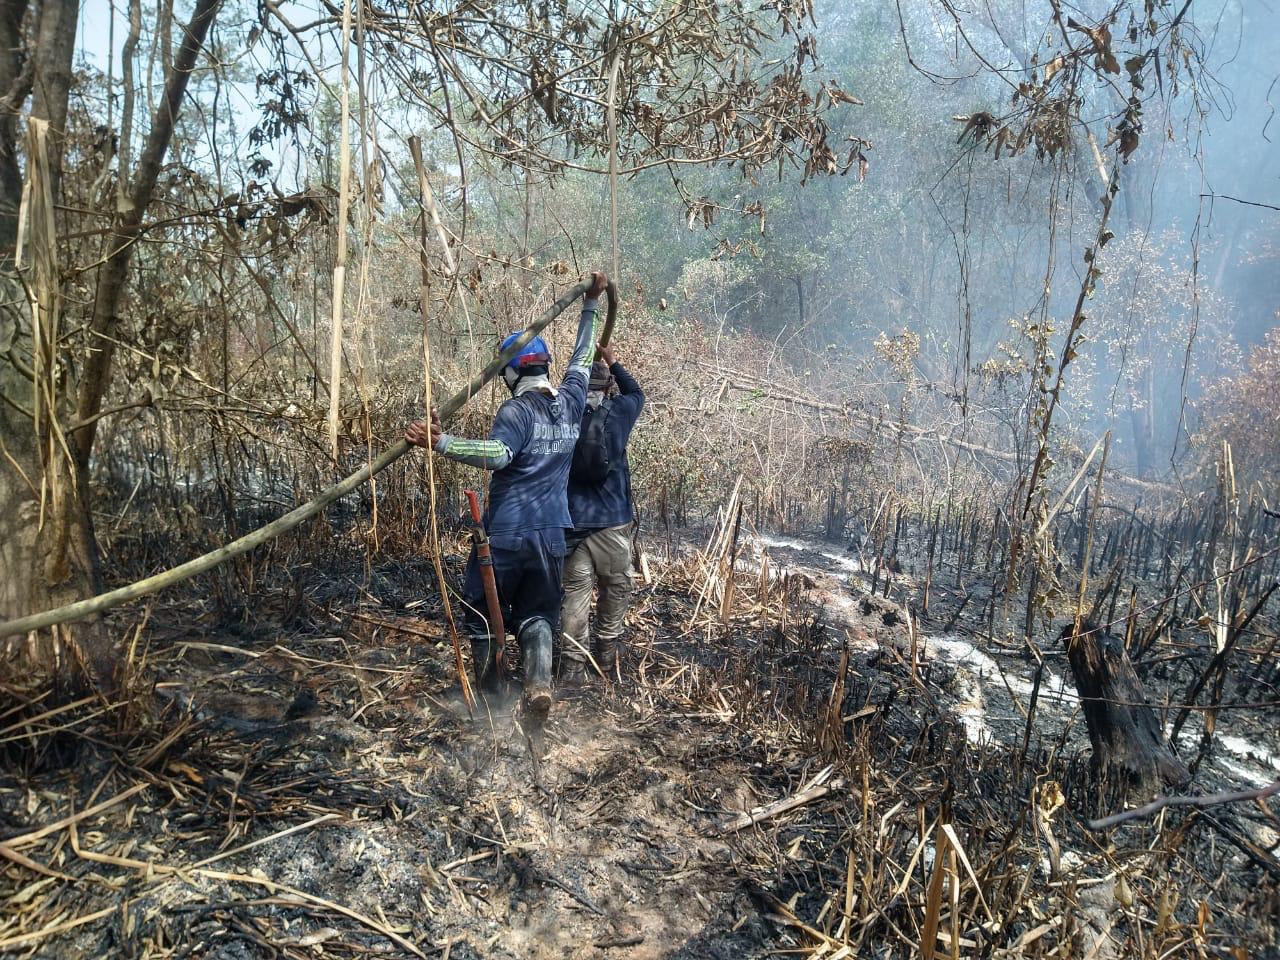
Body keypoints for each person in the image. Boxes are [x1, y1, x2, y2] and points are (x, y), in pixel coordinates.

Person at [406, 271, 609, 718]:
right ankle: (538, 685)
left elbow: (498, 455)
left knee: (481, 611)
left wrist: (440, 443)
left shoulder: (516, 411)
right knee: (539, 611)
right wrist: (591, 306)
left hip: (506, 536)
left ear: (511, 372)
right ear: (543, 365)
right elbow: (580, 358)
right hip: (552, 537)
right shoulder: (570, 401)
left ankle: (490, 695)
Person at [559, 343, 645, 683]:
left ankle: (572, 670)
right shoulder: (621, 411)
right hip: (612, 525)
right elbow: (637, 392)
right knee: (616, 589)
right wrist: (614, 360)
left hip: (572, 525)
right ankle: (606, 661)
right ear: (609, 387)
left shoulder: (562, 413)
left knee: (575, 599)